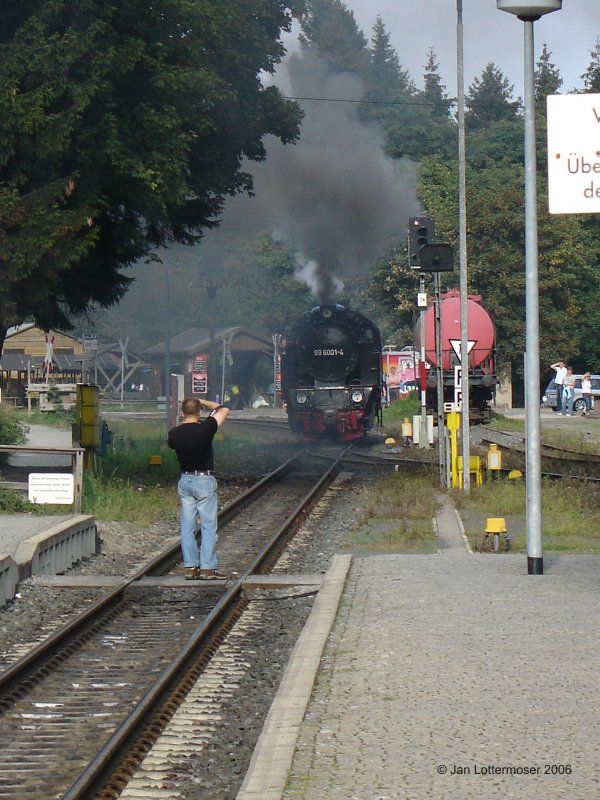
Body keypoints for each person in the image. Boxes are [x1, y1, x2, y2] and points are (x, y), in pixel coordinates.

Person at [167, 397, 230, 580]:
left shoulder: (174, 433)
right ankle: (208, 568)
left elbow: (173, 444)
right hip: (204, 480)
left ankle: (191, 568)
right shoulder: (206, 428)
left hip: (185, 481)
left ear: (182, 412)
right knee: (208, 526)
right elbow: (224, 409)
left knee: (187, 527)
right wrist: (203, 400)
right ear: (199, 412)